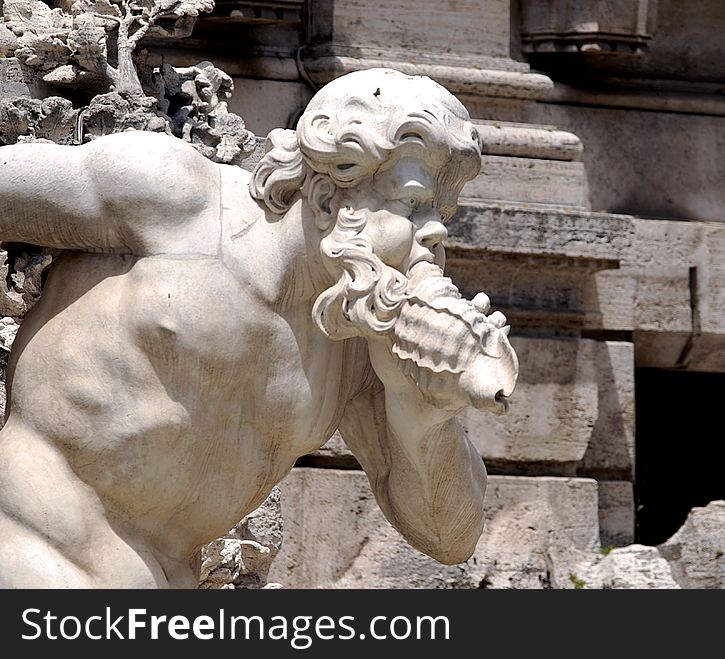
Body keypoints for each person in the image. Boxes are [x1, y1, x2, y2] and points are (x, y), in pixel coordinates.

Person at [0, 68, 517, 587]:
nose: (436, 232)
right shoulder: (174, 200)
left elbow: (451, 538)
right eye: (411, 203)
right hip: (22, 544)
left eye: (441, 212)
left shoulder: (357, 339)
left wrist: (424, 413)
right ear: (327, 197)